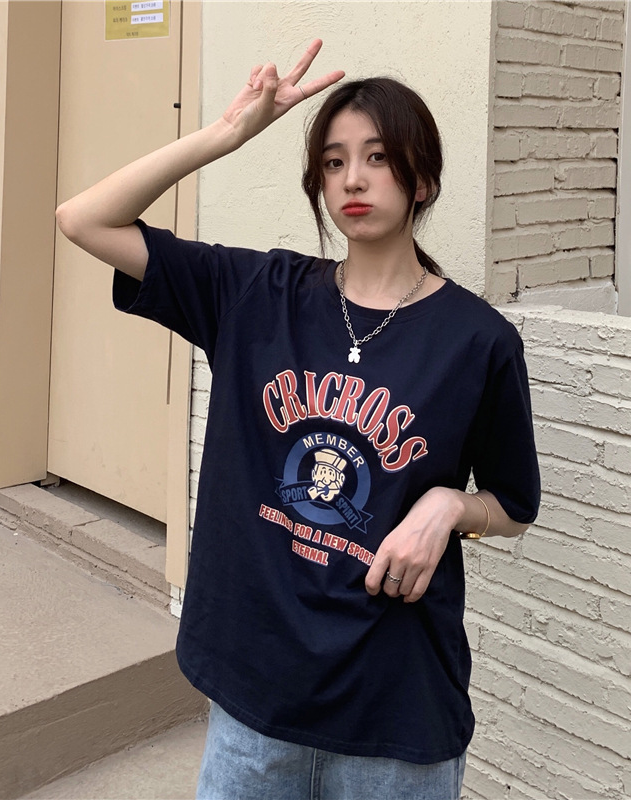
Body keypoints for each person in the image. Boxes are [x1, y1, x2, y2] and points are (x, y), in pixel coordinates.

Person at [56, 39, 540, 800]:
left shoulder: (478, 341)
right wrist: (225, 135)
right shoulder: (259, 293)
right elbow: (83, 219)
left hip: (395, 717)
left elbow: (513, 506)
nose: (354, 178)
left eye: (378, 157)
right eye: (334, 162)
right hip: (256, 707)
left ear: (423, 178)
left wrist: (449, 507)